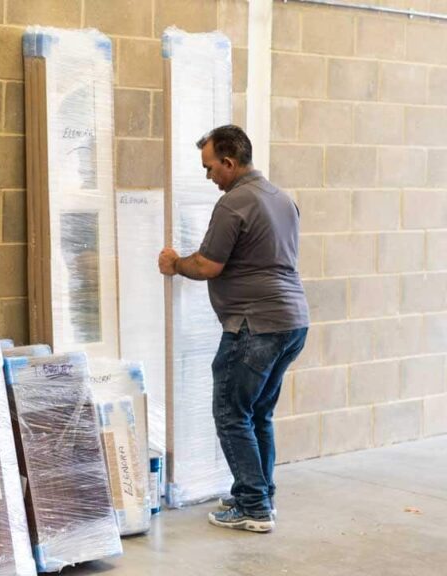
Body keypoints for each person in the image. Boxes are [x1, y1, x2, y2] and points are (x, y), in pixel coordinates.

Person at [158, 125, 310, 533]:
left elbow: (208, 265)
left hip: (254, 325)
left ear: (229, 161)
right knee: (259, 412)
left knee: (231, 413)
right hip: (292, 322)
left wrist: (175, 264)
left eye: (210, 168)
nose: (209, 177)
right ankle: (259, 494)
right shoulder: (282, 199)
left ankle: (254, 507)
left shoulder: (234, 203)